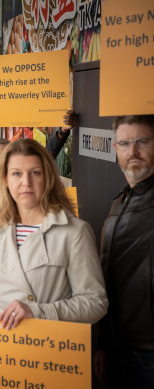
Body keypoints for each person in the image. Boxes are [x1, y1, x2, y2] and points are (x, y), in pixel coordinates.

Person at [0, 139, 107, 332]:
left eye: (35, 172)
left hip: (45, 348)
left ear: (48, 178)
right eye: (16, 173)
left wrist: (38, 311)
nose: (26, 182)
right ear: (5, 179)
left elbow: (95, 302)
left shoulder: (74, 232)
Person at [96, 115, 154, 388]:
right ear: (115, 148)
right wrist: (105, 343)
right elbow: (111, 276)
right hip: (121, 349)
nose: (133, 151)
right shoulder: (120, 202)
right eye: (124, 143)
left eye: (143, 141)